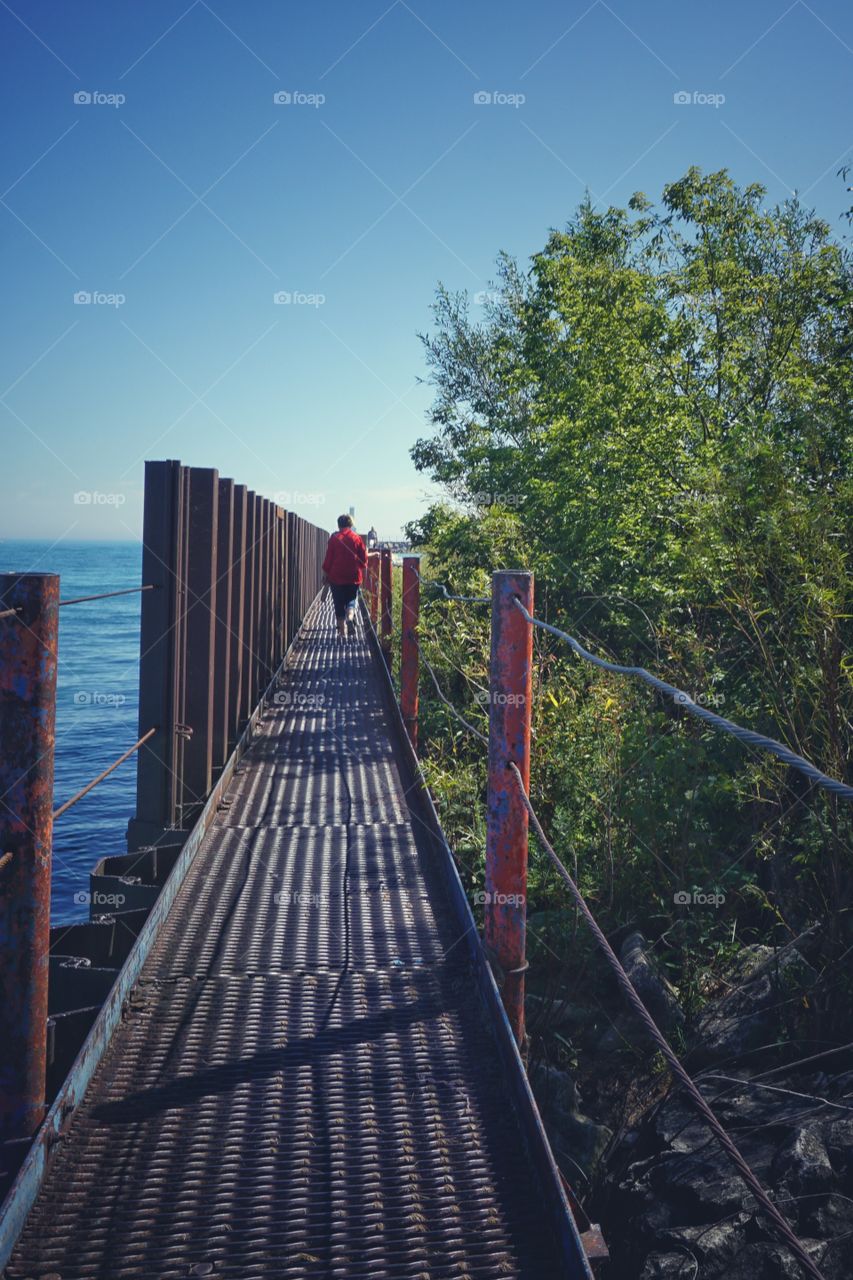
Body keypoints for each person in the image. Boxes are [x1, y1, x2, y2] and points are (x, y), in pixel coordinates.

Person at [322, 514, 368, 640]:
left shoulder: (334, 538)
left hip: (335, 576)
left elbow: (328, 559)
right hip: (353, 576)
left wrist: (326, 573)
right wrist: (360, 565)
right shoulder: (357, 538)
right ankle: (350, 618)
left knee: (338, 603)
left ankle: (342, 633)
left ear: (338, 525)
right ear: (351, 524)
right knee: (351, 601)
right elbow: (363, 559)